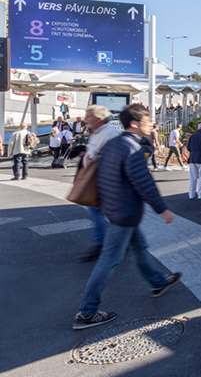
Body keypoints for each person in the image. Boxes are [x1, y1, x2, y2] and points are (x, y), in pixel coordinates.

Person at [72, 104, 181, 330]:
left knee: (140, 248)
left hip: (114, 209)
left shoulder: (114, 144)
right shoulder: (132, 148)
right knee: (109, 260)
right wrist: (163, 210)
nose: (151, 124)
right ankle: (87, 312)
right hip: (125, 213)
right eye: (147, 120)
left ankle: (158, 282)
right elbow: (144, 183)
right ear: (134, 123)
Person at [79, 106, 121, 262]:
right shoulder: (96, 133)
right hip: (97, 179)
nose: (85, 119)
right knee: (104, 212)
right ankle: (128, 239)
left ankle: (101, 244)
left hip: (106, 180)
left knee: (98, 211)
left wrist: (95, 159)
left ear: (98, 119)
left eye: (88, 116)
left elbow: (117, 156)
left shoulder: (110, 133)